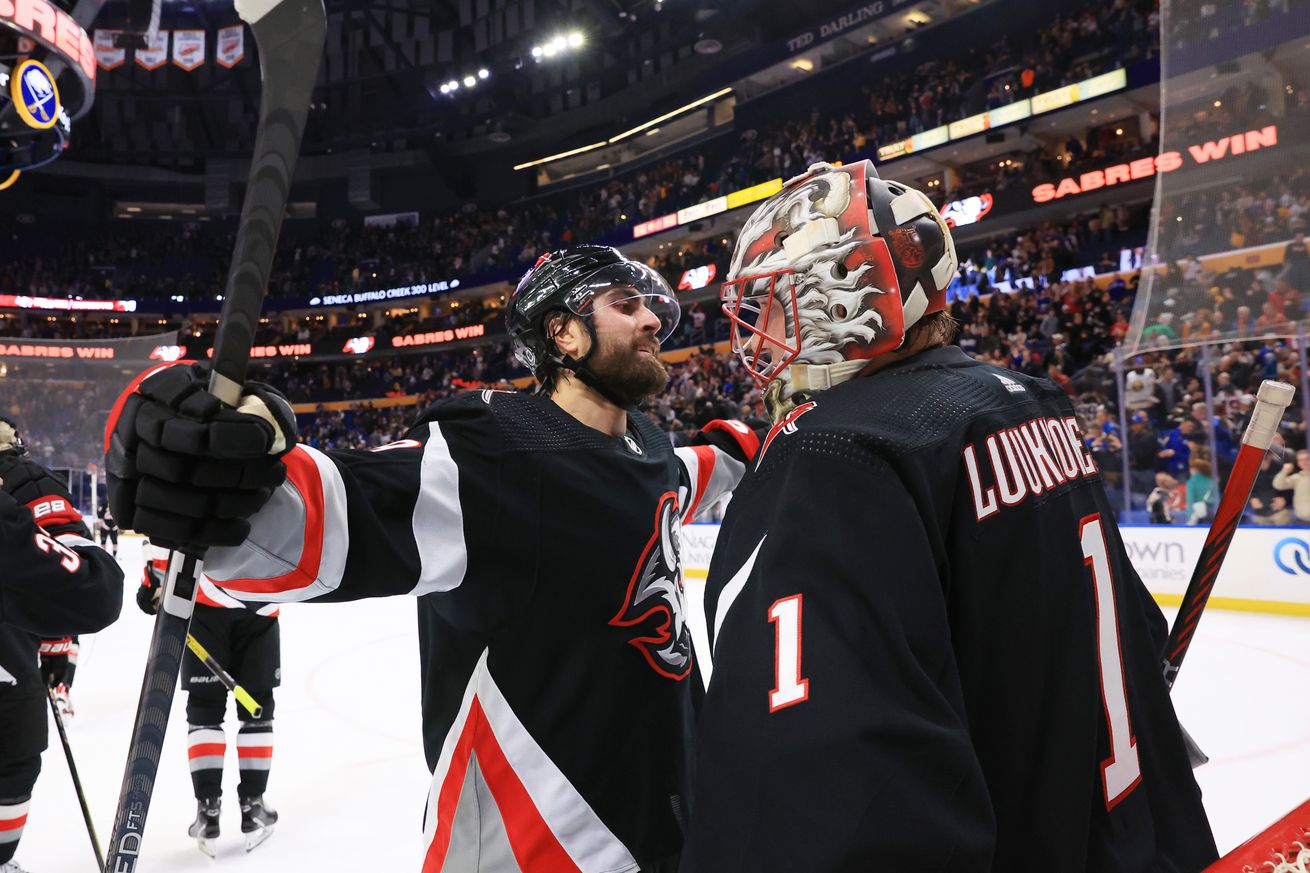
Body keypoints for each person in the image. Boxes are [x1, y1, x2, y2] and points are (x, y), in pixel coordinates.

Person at [104, 246, 759, 872]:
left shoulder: (647, 446)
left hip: (678, 828)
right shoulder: (496, 455)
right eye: (625, 304)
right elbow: (326, 518)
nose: (652, 319)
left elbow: (684, 473)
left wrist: (744, 444)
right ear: (565, 334)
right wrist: (202, 464)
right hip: (543, 849)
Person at [682, 161, 1217, 872]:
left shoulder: (834, 450)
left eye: (779, 301)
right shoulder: (1032, 399)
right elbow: (1127, 638)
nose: (759, 335)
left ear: (849, 297)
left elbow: (824, 784)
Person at [0, 416, 123, 873]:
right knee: (13, 757)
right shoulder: (22, 480)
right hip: (9, 667)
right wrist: (56, 652)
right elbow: (90, 593)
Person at [136, 541, 282, 855]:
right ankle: (253, 805)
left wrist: (154, 583)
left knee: (205, 709)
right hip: (262, 599)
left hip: (205, 602)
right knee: (256, 709)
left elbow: (168, 525)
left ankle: (208, 810)